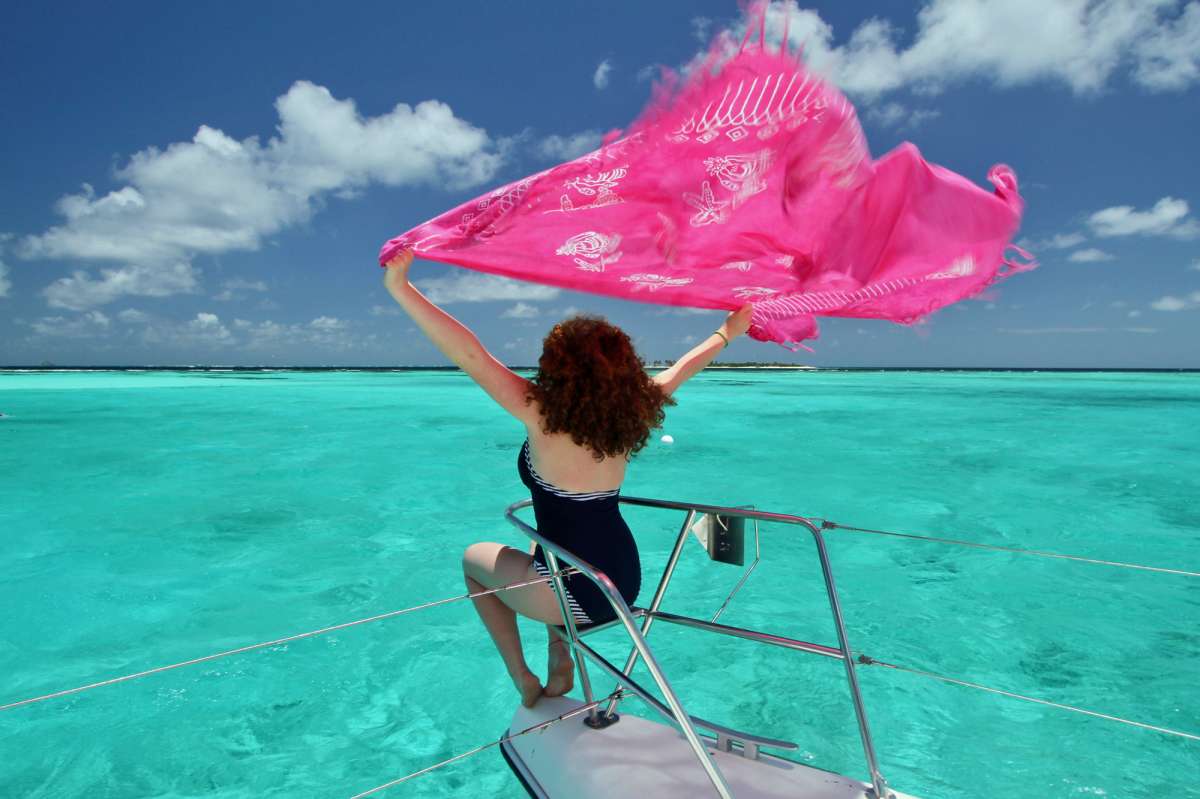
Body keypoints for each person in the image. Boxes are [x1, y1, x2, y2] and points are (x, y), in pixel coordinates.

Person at [383, 250, 752, 706]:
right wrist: (729, 331)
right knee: (544, 544)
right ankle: (561, 657)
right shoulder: (637, 409)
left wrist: (401, 287)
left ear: (556, 364)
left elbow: (467, 351)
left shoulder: (540, 412)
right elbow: (684, 367)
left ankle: (521, 675)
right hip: (623, 580)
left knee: (473, 564)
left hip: (575, 592)